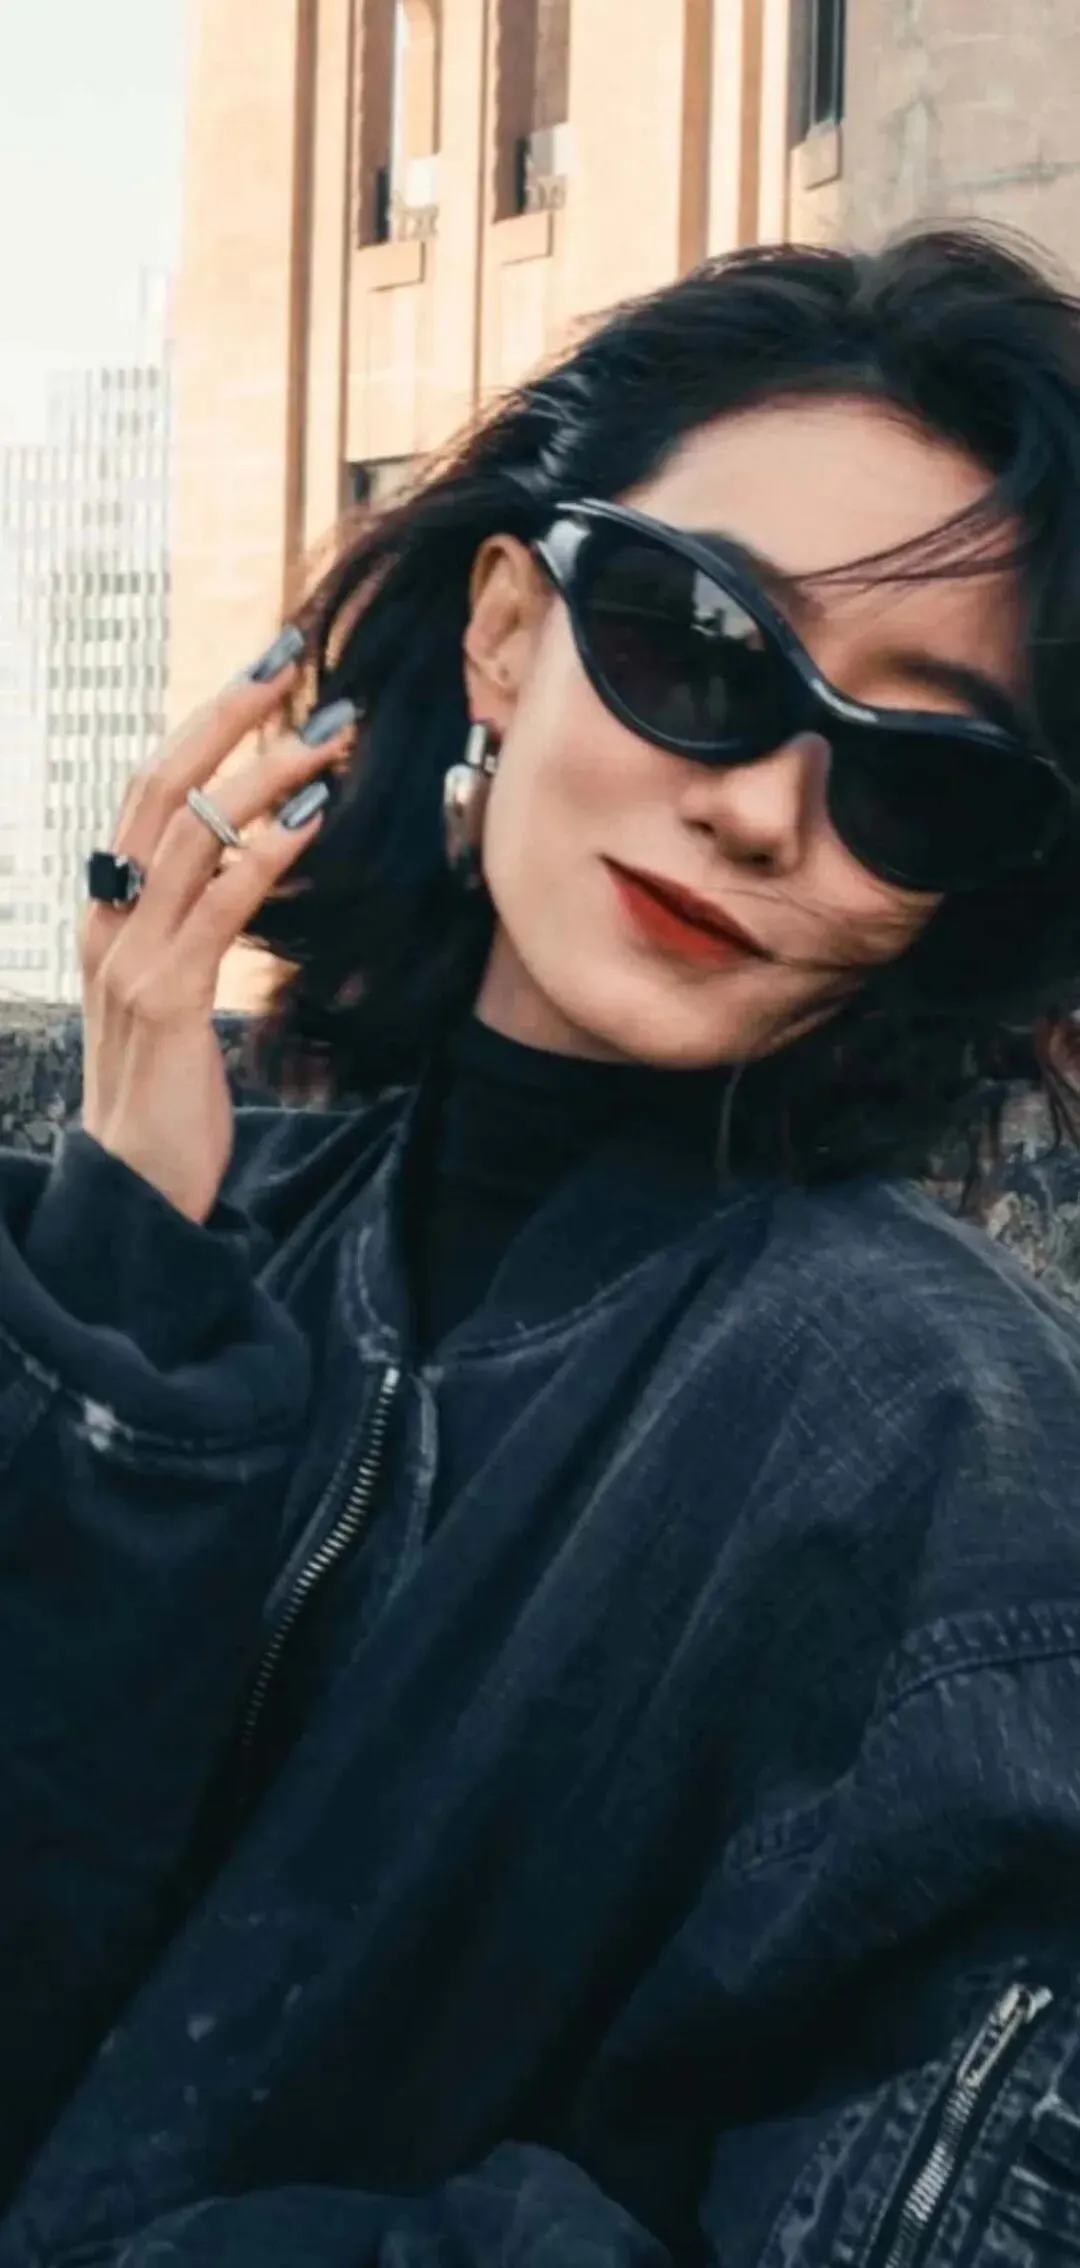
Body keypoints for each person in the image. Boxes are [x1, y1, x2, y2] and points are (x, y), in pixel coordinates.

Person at [5, 225, 1080, 2268]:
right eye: (702, 648)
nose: (763, 812)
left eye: (913, 779)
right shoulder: (213, 1230)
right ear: (507, 633)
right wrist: (130, 1263)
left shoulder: (942, 1437)